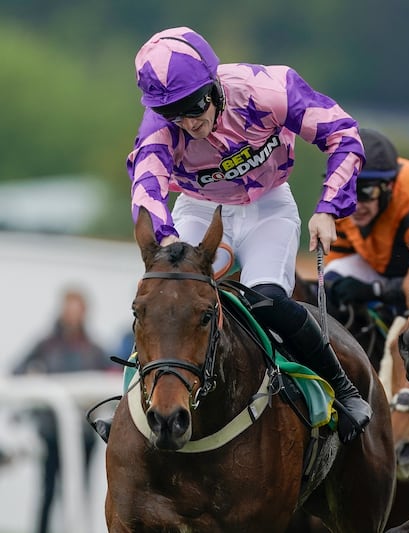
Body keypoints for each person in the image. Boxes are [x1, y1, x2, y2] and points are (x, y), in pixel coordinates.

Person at [94, 26, 371, 444]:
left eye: (195, 105)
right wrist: (166, 241)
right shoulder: (159, 125)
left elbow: (343, 135)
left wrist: (329, 208)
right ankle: (127, 403)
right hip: (200, 207)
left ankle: (342, 389)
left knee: (267, 301)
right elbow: (146, 186)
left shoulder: (268, 88)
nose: (190, 122)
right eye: (176, 115)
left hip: (268, 206)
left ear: (214, 84)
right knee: (170, 295)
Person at [12, 288, 115, 533]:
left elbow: (111, 381)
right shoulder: (45, 344)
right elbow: (17, 371)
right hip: (50, 431)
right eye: (70, 308)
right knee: (47, 491)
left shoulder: (95, 348)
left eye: (77, 309)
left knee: (80, 491)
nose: (73, 315)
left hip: (83, 435)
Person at [324, 129, 409, 317]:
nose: (354, 205)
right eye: (346, 190)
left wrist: (375, 291)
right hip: (380, 268)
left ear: (388, 186)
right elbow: (334, 266)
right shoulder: (335, 198)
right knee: (331, 280)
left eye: (365, 192)